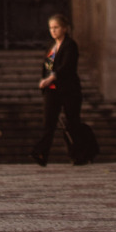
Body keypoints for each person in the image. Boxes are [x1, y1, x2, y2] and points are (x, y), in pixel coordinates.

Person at [33, 12, 98, 167]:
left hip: (69, 91)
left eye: (56, 27)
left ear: (64, 28)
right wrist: (44, 80)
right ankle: (41, 154)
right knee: (49, 123)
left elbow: (66, 67)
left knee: (72, 123)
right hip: (52, 91)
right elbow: (47, 67)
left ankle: (80, 154)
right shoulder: (51, 47)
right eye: (51, 28)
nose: (53, 31)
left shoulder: (70, 45)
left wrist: (51, 78)